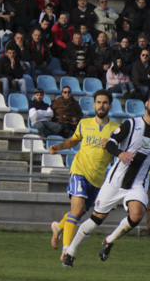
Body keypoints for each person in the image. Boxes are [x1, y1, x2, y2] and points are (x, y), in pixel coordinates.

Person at [63, 91, 150, 267]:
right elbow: (111, 143)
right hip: (115, 181)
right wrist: (120, 153)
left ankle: (109, 240)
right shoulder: (132, 124)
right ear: (146, 103)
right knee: (97, 219)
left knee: (137, 215)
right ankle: (71, 251)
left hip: (138, 183)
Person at [47, 90, 120, 260]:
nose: (101, 105)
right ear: (94, 105)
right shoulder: (84, 123)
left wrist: (111, 146)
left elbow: (120, 153)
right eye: (99, 102)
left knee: (78, 213)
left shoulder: (117, 129)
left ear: (110, 105)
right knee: (78, 209)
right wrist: (59, 146)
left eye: (105, 102)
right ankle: (67, 250)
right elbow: (74, 140)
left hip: (98, 178)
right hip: (79, 171)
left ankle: (58, 227)